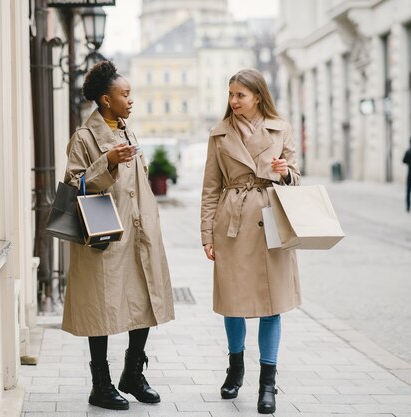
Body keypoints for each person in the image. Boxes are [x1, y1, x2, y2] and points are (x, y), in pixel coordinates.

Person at [61, 60, 175, 411]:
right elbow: (72, 186)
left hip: (138, 232)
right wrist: (107, 161)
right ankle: (101, 384)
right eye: (125, 94)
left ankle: (133, 374)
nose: (131, 100)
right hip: (104, 236)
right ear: (106, 100)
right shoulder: (83, 138)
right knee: (102, 306)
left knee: (143, 300)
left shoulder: (127, 131)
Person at [200, 68, 302, 414]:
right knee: (233, 300)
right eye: (230, 95)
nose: (233, 101)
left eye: (240, 95)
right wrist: (207, 234)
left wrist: (285, 172)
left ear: (257, 96)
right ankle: (235, 368)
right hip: (233, 223)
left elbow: (296, 178)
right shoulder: (219, 135)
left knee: (271, 303)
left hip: (270, 222)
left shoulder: (281, 128)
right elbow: (210, 189)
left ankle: (268, 384)